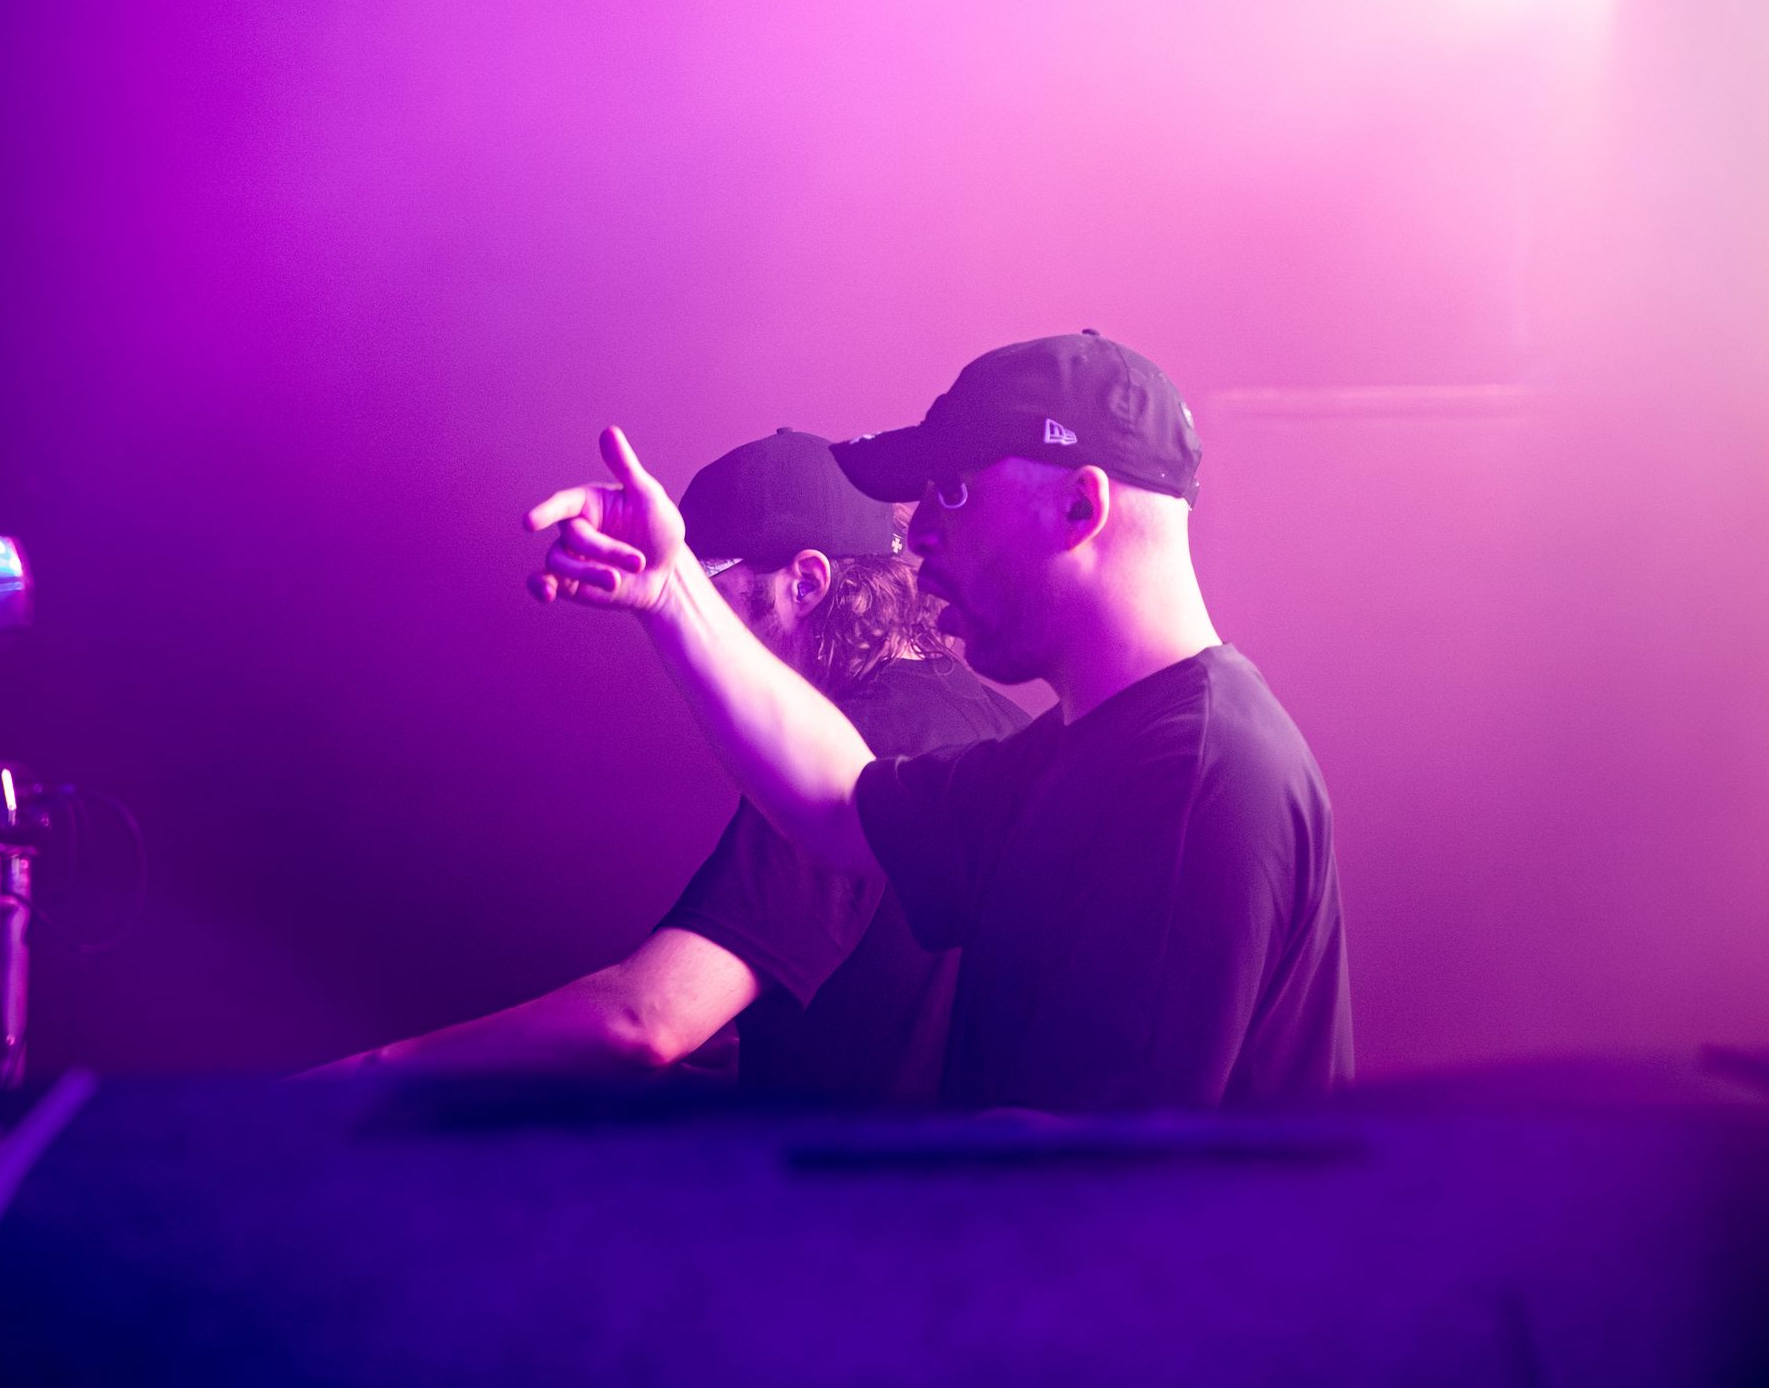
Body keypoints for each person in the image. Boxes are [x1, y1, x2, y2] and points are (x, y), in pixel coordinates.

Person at [530, 332, 1351, 1113]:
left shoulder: (1195, 769)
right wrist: (674, 593)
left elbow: (1086, 1192)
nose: (917, 536)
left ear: (1079, 505)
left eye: (953, 492)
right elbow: (841, 808)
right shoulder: (1076, 752)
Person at [348, 427, 1026, 1098]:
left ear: (807, 584)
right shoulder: (1006, 731)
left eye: (708, 587)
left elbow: (648, 1019)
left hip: (836, 1201)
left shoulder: (845, 760)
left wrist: (371, 1072)